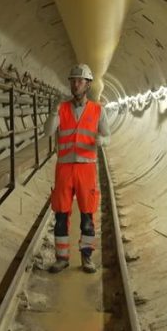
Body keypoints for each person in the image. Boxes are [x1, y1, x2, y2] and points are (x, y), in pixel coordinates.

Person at [44, 63, 110, 274]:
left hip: (86, 168)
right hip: (64, 168)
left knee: (87, 215)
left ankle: (87, 257)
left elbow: (107, 135)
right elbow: (47, 132)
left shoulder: (98, 110)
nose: (76, 84)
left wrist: (101, 140)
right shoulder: (62, 108)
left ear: (88, 84)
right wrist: (53, 112)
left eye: (80, 80)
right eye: (73, 80)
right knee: (61, 215)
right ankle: (62, 258)